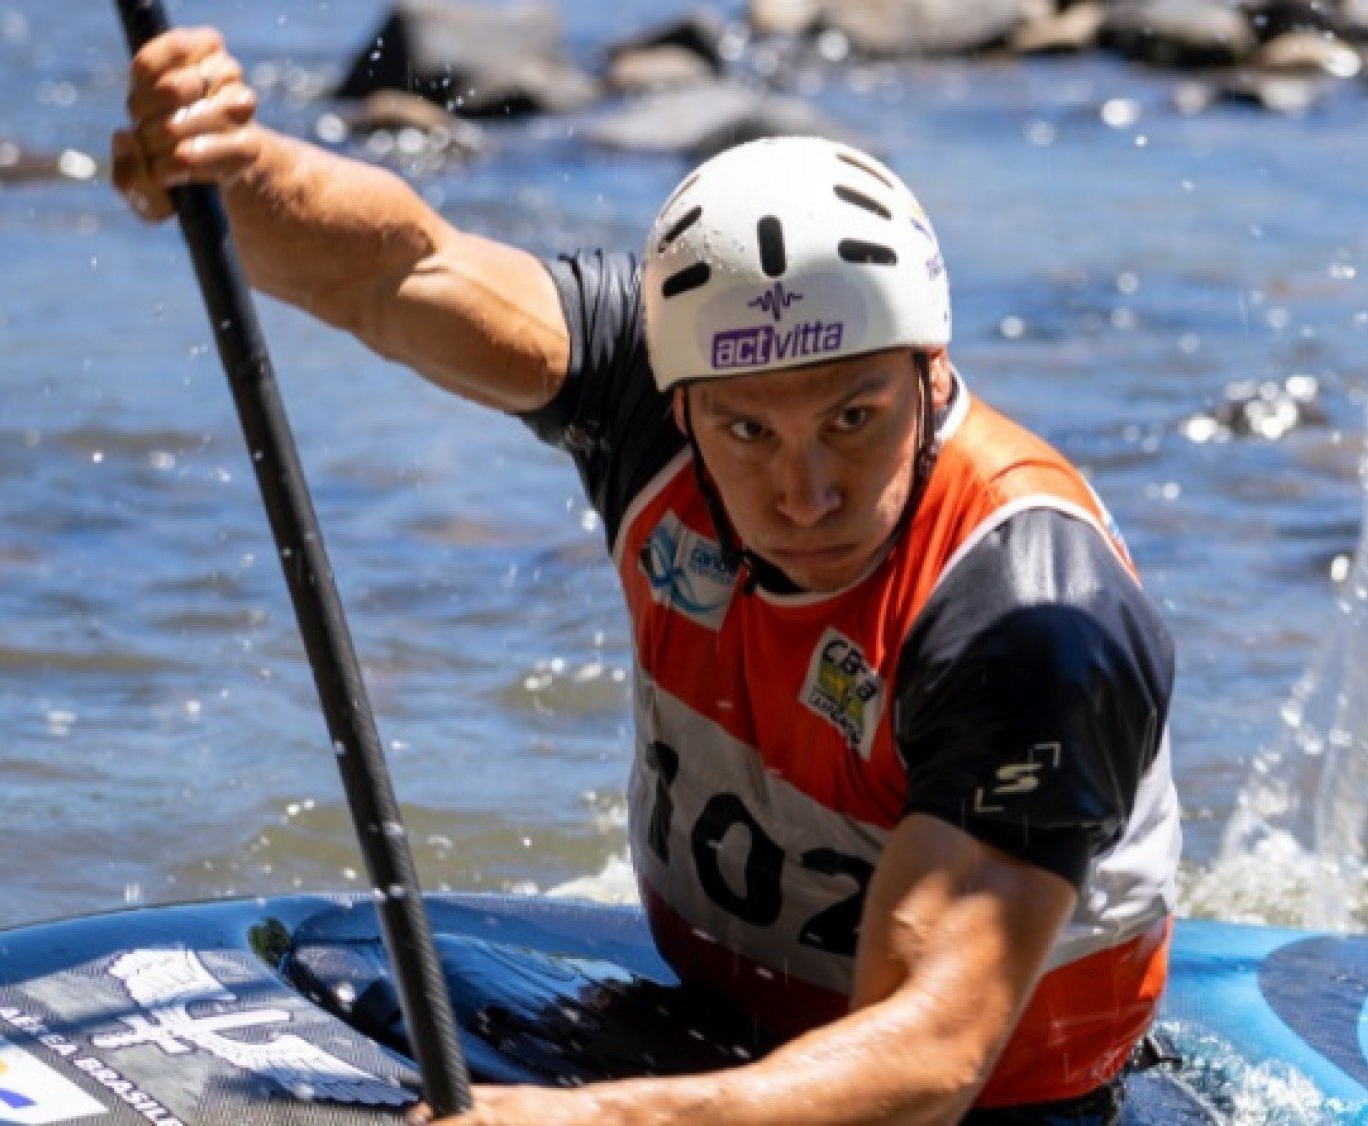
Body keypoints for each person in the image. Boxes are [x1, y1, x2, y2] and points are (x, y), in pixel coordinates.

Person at [113, 28, 1181, 1126]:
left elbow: (931, 1058)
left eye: (853, 419)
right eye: (749, 432)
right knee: (339, 968)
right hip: (717, 1034)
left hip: (1003, 1106)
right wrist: (231, 168)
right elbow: (398, 270)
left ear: (933, 369)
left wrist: (596, 1123)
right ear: (680, 403)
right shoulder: (650, 381)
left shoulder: (1032, 616)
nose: (805, 491)